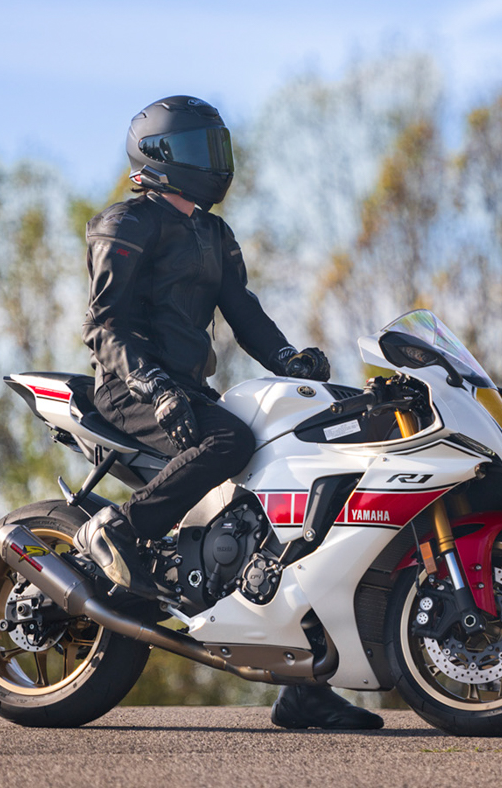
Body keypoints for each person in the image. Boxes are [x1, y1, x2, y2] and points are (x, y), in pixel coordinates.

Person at [73, 95, 382, 731]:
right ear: (159, 156)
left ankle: (304, 685)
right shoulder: (125, 223)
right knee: (230, 443)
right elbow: (105, 325)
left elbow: (243, 312)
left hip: (188, 390)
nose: (214, 162)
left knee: (289, 477)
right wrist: (154, 385)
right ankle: (120, 530)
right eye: (198, 149)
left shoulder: (212, 235)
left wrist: (288, 358)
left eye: (217, 148)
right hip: (129, 389)